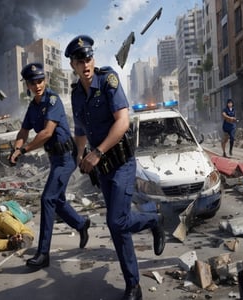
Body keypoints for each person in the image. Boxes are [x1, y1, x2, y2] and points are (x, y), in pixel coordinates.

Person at [65, 35, 165, 300]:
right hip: (103, 169)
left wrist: (96, 152)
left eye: (88, 59)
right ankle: (133, 285)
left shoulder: (108, 80)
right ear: (73, 66)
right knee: (117, 227)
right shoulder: (76, 94)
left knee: (116, 221)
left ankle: (154, 220)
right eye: (79, 61)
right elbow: (79, 129)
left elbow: (122, 121)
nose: (85, 64)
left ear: (92, 60)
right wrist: (79, 154)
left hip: (121, 163)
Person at [10, 63, 90, 269]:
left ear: (44, 80)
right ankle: (82, 224)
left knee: (47, 199)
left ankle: (43, 253)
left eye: (40, 81)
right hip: (55, 158)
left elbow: (46, 133)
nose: (37, 85)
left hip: (67, 157)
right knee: (58, 200)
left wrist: (24, 150)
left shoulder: (52, 100)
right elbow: (23, 131)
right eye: (32, 82)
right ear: (27, 85)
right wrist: (16, 148)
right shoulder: (32, 107)